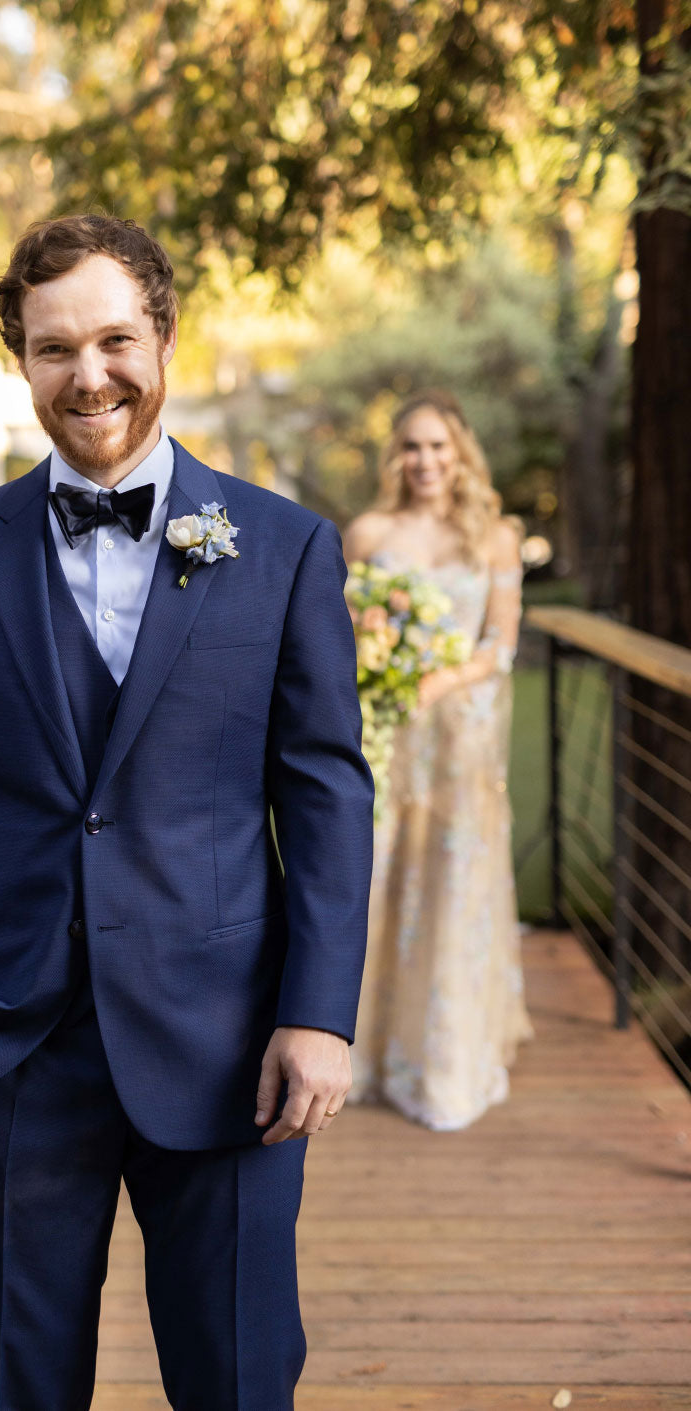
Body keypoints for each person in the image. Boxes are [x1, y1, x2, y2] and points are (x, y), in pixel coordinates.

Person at [0, 213, 374, 1411]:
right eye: (53, 348)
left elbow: (328, 788)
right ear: (20, 361)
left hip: (234, 1037)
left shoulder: (285, 547)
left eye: (114, 339)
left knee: (238, 1372)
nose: (89, 375)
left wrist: (320, 1012)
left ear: (166, 336)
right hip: (1, 1035)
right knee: (17, 1381)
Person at [341, 389, 534, 1132]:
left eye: (439, 447)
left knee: (450, 880)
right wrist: (378, 666)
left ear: (461, 456)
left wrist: (441, 679)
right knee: (380, 873)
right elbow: (336, 628)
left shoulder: (494, 536)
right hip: (387, 729)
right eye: (412, 447)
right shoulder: (368, 531)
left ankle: (441, 1057)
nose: (426, 460)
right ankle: (360, 1048)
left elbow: (502, 644)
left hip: (460, 736)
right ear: (396, 457)